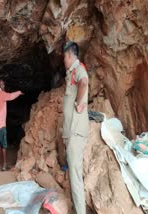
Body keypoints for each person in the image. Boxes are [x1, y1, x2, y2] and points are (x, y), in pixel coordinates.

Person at [62, 41, 89, 214]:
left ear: (71, 56)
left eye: (64, 57)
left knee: (76, 178)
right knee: (73, 176)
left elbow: (84, 82)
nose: (63, 60)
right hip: (71, 132)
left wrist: (79, 103)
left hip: (76, 132)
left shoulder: (78, 69)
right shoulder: (70, 72)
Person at [0, 80, 23, 171]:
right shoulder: (2, 94)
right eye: (3, 84)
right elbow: (11, 96)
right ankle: (4, 166)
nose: (4, 86)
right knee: (4, 146)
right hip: (1, 126)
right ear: (0, 86)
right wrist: (19, 92)